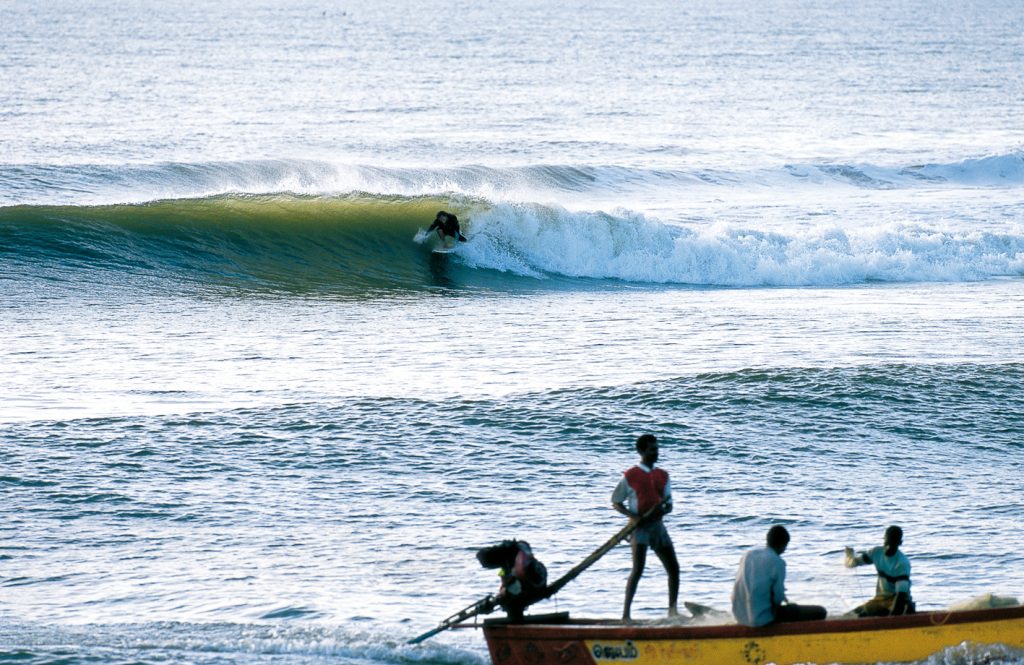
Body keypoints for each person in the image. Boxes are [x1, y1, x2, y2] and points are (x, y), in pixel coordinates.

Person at [611, 434, 680, 620]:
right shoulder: (630, 475)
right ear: (641, 451)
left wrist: (661, 511)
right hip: (638, 528)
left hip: (657, 526)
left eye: (657, 448)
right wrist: (633, 517)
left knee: (673, 568)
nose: (656, 452)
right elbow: (616, 501)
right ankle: (626, 615)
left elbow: (669, 504)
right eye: (652, 449)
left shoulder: (663, 475)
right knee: (638, 569)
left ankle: (672, 612)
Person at [732, 525, 827, 627]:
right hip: (762, 620)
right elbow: (778, 598)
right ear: (783, 545)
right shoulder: (778, 562)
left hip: (739, 617)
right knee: (820, 611)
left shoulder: (748, 555)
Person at [844, 525, 914, 616]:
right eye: (887, 541)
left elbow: (900, 595)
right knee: (850, 615)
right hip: (879, 600)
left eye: (893, 543)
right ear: (884, 539)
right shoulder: (876, 553)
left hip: (897, 601)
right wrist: (849, 555)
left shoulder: (902, 563)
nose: (889, 546)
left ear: (900, 543)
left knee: (864, 615)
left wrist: (892, 619)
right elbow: (853, 563)